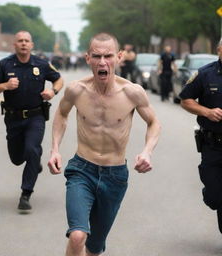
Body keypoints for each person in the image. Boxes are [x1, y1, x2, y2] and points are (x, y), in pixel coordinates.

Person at [48, 33, 160, 256]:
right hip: (82, 169)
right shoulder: (76, 90)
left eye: (108, 56)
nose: (102, 62)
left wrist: (147, 152)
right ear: (87, 58)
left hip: (115, 175)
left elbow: (154, 122)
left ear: (119, 57)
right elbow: (61, 114)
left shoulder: (132, 92)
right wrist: (55, 149)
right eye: (97, 56)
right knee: (78, 235)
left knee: (94, 249)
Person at [0, 31, 63, 211]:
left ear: (31, 45)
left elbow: (59, 80)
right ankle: (34, 161)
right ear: (14, 44)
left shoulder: (41, 64)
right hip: (13, 119)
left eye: (26, 41)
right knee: (17, 159)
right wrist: (5, 85)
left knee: (32, 149)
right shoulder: (5, 65)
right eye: (20, 41)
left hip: (35, 117)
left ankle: (26, 194)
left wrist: (53, 92)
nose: (23, 44)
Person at [179, 39, 222, 234]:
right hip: (213, 145)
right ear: (219, 50)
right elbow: (186, 100)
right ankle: (212, 193)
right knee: (216, 196)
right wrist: (206, 112)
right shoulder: (205, 74)